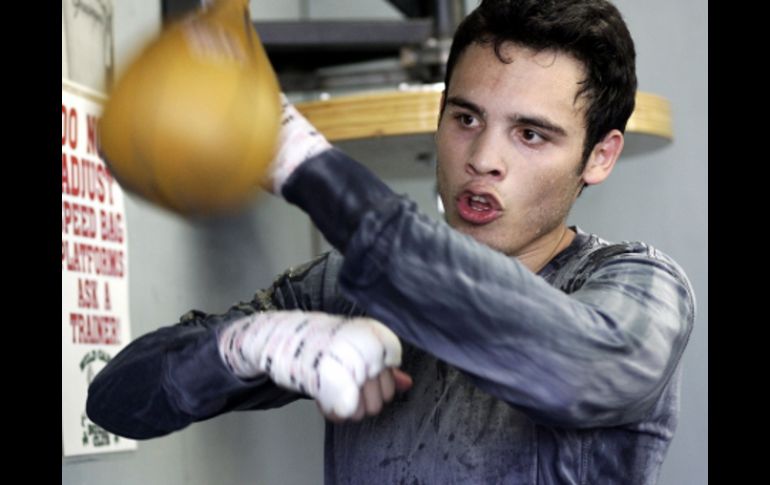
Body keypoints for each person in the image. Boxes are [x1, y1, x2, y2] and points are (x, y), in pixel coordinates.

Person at [87, 0, 695, 483]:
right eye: (465, 118)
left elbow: (583, 371)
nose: (484, 158)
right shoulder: (344, 287)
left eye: (531, 135)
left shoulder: (638, 286)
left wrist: (300, 161)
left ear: (600, 155)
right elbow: (116, 402)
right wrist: (246, 346)